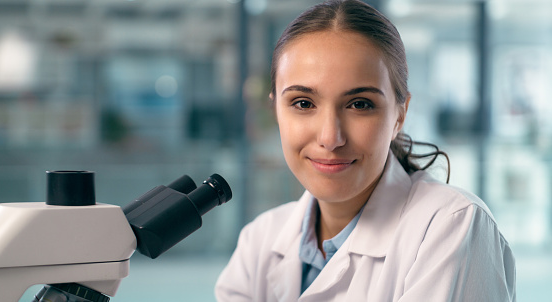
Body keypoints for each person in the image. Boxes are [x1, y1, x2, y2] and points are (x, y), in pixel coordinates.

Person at [215, 0, 516, 301]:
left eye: (360, 104)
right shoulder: (259, 241)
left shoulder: (451, 227)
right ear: (276, 110)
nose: (330, 137)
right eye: (303, 103)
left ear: (400, 115)